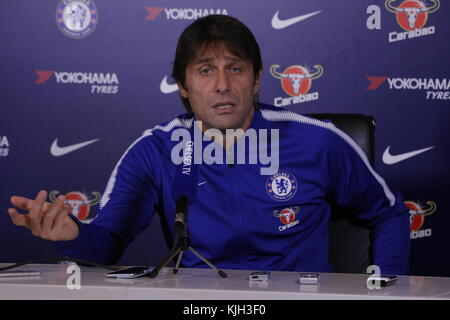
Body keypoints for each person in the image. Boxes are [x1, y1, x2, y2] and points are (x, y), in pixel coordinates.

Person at [7, 15, 410, 275]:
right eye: (205, 71)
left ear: (256, 79)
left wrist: (385, 287)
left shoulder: (318, 140)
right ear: (183, 86)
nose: (222, 85)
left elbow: (390, 213)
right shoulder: (155, 151)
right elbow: (108, 243)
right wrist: (72, 235)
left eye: (235, 69)